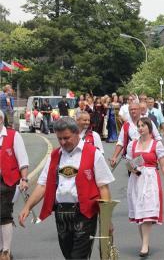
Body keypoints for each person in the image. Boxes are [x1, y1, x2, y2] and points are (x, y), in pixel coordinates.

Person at [18, 117, 114, 259]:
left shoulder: (94, 153)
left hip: (85, 213)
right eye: (59, 138)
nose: (62, 142)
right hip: (61, 213)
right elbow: (43, 184)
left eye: (66, 138)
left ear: (76, 133)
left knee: (77, 257)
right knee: (69, 256)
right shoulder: (55, 155)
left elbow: (104, 188)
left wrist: (107, 220)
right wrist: (27, 207)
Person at [125, 117, 164, 257]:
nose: (140, 128)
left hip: (150, 179)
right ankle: (144, 242)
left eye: (143, 125)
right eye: (138, 126)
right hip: (136, 179)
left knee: (146, 212)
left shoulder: (156, 144)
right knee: (140, 212)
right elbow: (128, 163)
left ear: (149, 128)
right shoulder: (132, 144)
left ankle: (145, 245)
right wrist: (132, 168)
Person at [0, 110, 29, 260]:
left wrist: (24, 179)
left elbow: (23, 159)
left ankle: (6, 251)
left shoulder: (13, 135)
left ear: (1, 120)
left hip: (8, 182)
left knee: (4, 214)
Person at [109, 102, 162, 168]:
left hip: (148, 157)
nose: (133, 111)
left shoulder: (148, 122)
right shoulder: (126, 125)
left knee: (149, 175)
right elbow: (120, 142)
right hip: (132, 158)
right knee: (134, 176)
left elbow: (157, 138)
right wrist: (114, 157)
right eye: (131, 110)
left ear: (140, 110)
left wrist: (162, 156)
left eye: (135, 109)